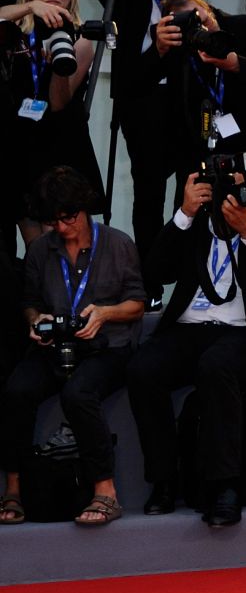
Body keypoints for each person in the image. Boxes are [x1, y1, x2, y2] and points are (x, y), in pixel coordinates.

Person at [127, 172, 246, 528]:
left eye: (235, 190)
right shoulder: (192, 231)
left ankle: (225, 487)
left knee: (216, 366)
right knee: (143, 369)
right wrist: (184, 214)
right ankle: (164, 480)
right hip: (188, 330)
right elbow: (154, 271)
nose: (227, 200)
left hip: (241, 334)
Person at [0, 166, 144, 527]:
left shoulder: (118, 243)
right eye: (54, 222)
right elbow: (29, 301)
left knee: (79, 393)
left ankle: (105, 491)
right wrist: (36, 321)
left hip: (107, 346)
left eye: (68, 218)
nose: (63, 228)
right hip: (53, 346)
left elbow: (137, 304)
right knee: (16, 390)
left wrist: (105, 313)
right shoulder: (40, 251)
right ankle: (14, 488)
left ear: (84, 208)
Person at [89, 0, 229, 310]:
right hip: (142, 96)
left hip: (184, 96)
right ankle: (149, 283)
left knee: (193, 186)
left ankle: (191, 274)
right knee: (149, 194)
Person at [0, 0, 106, 252]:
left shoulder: (82, 38)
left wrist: (58, 69)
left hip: (59, 146)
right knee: (34, 246)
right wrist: (29, 9)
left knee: (60, 243)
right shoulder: (13, 32)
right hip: (20, 144)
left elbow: (59, 104)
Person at [147, 0, 246, 194]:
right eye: (191, 25)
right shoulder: (178, 46)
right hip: (211, 143)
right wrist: (159, 48)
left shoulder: (242, 26)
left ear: (208, 9)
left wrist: (237, 64)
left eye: (201, 19)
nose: (201, 28)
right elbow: (140, 83)